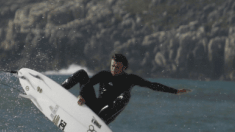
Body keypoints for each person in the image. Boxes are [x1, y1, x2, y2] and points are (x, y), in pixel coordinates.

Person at [61, 53, 191, 124]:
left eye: (117, 67)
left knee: (126, 95)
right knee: (82, 74)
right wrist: (81, 95)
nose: (113, 69)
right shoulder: (104, 75)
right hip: (94, 106)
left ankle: (99, 122)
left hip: (106, 114)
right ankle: (59, 90)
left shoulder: (130, 79)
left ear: (124, 68)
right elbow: (88, 84)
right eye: (112, 66)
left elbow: (152, 85)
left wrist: (175, 91)